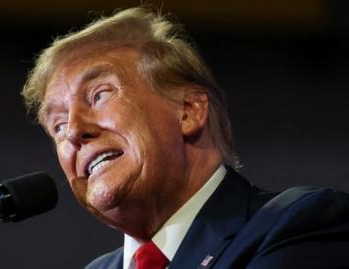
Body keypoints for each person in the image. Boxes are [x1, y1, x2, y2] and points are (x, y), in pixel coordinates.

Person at [21, 7, 349, 269]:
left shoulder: (295, 224)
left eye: (100, 95)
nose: (75, 131)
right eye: (58, 126)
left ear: (189, 111)